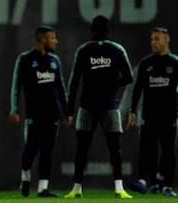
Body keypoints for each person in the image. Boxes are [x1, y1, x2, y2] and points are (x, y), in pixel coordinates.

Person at [64, 15, 133, 199]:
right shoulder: (117, 50)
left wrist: (69, 110)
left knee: (82, 148)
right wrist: (112, 84)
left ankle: (76, 189)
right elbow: (128, 77)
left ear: (92, 30)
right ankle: (119, 188)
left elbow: (74, 81)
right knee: (114, 148)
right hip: (110, 106)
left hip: (87, 106)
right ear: (108, 29)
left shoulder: (84, 50)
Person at [126, 27, 178, 197]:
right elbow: (137, 89)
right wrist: (132, 111)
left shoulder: (176, 64)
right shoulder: (146, 64)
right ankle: (146, 181)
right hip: (149, 116)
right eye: (151, 39)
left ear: (166, 41)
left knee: (168, 153)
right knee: (147, 151)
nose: (153, 42)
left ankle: (167, 187)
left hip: (170, 117)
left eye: (156, 39)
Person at [9, 26, 67, 197]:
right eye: (53, 38)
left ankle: (43, 188)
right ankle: (25, 177)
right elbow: (16, 86)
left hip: (53, 114)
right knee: (31, 149)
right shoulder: (25, 59)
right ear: (42, 40)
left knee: (48, 150)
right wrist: (14, 109)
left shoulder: (54, 60)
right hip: (34, 114)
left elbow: (61, 87)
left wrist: (67, 111)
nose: (56, 41)